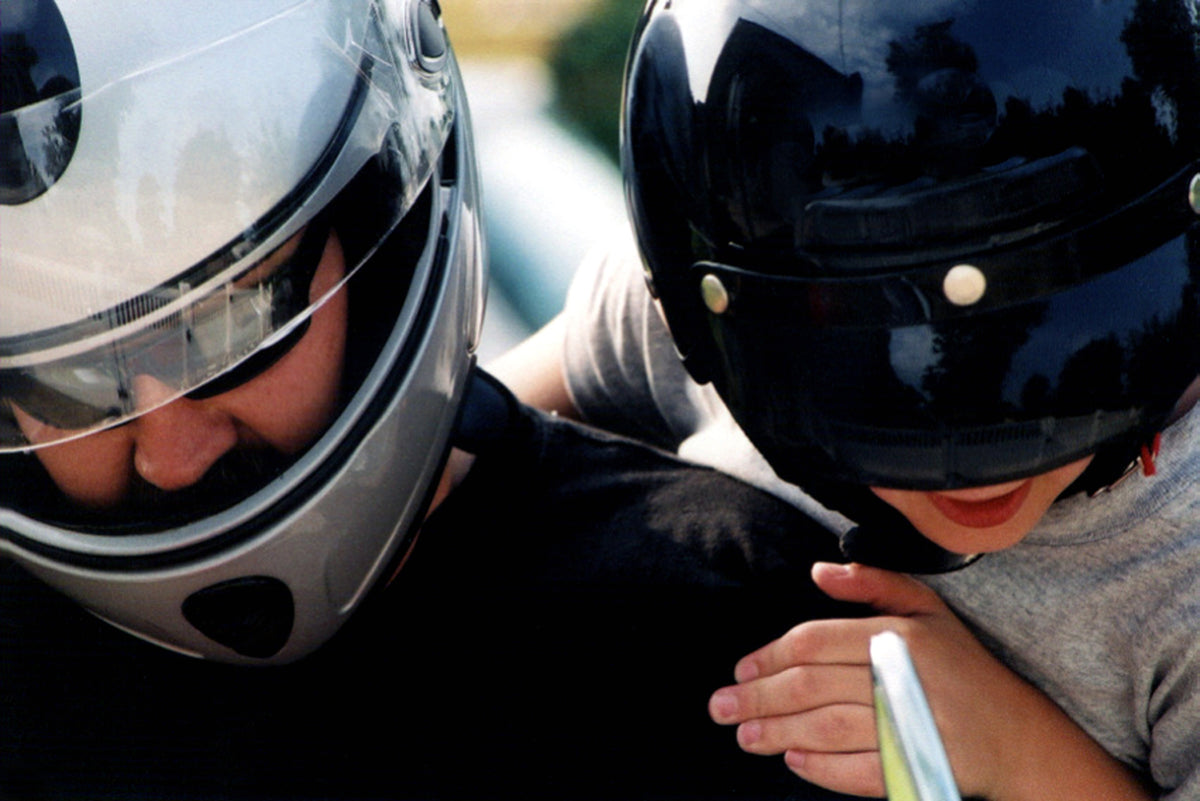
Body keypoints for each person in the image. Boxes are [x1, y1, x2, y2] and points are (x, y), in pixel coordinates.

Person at [1, 2, 871, 798]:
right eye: (70, 384)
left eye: (233, 327)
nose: (171, 452)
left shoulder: (740, 649)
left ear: (379, 216)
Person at [495, 0, 1200, 798]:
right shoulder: (732, 303)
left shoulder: (1184, 567)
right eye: (879, 372)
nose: (962, 460)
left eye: (1049, 349)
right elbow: (449, 446)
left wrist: (1015, 748)